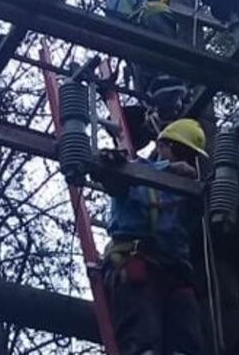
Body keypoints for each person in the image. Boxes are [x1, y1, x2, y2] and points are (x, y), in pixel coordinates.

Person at [100, 118, 208, 355]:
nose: (183, 161)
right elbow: (114, 179)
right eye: (179, 151)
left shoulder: (188, 193)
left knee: (187, 341)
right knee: (143, 337)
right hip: (137, 261)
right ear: (161, 147)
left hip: (175, 273)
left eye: (189, 157)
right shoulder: (135, 172)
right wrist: (167, 170)